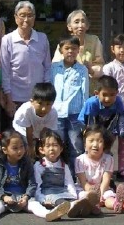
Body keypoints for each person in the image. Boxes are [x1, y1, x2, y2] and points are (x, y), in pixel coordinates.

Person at [0, 130, 69, 222]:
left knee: (35, 206)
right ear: (5, 150)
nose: (20, 150)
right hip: (4, 197)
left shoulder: (27, 162)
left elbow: (32, 184)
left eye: (22, 146)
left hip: (22, 197)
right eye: (15, 148)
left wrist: (26, 197)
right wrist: (4, 197)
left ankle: (49, 214)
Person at [0, 1, 52, 115]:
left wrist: (46, 93)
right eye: (22, 15)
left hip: (38, 98)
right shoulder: (7, 40)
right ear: (15, 17)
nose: (26, 19)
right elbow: (5, 71)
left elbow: (47, 67)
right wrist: (8, 99)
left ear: (34, 17)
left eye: (30, 15)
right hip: (15, 98)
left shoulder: (42, 38)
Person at [51, 35, 90, 169]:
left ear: (78, 50)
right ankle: (58, 173)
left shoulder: (82, 69)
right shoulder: (53, 68)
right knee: (57, 144)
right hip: (56, 112)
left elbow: (85, 93)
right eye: (67, 48)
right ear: (61, 50)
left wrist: (84, 115)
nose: (70, 51)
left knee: (76, 146)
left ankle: (76, 175)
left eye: (73, 48)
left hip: (75, 113)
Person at [101, 33, 124, 169]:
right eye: (119, 47)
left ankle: (123, 169)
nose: (122, 50)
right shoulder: (109, 67)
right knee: (109, 138)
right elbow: (105, 87)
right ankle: (105, 168)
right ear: (112, 49)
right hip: (113, 108)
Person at [52, 10, 105, 94]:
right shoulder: (64, 43)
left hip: (91, 90)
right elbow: (56, 66)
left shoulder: (94, 40)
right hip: (69, 90)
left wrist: (91, 70)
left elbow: (100, 65)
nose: (80, 25)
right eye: (76, 22)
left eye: (83, 22)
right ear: (69, 26)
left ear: (87, 26)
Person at [31, 128, 78, 218]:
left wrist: (74, 195)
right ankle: (67, 208)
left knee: (75, 197)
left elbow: (69, 183)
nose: (52, 149)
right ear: (41, 150)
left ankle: (79, 206)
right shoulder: (39, 165)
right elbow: (37, 186)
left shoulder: (64, 165)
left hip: (62, 191)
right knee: (58, 200)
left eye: (55, 145)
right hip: (47, 194)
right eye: (48, 146)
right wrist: (42, 200)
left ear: (61, 149)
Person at [74, 125, 114, 216]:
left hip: (102, 188)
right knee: (82, 196)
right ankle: (90, 206)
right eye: (91, 141)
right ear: (85, 144)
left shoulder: (109, 159)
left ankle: (116, 204)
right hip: (85, 189)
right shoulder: (79, 160)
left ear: (104, 144)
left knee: (109, 196)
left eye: (100, 141)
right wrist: (93, 194)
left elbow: (106, 180)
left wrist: (101, 194)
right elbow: (83, 182)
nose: (95, 145)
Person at [78, 75, 124, 147]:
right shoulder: (92, 103)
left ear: (117, 93)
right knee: (91, 144)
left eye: (112, 95)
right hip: (87, 125)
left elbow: (118, 120)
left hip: (106, 126)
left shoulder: (118, 102)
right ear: (96, 93)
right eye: (104, 95)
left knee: (107, 143)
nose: (108, 99)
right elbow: (90, 124)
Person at [12, 82, 58, 155]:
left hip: (38, 131)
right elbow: (29, 130)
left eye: (48, 104)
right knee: (25, 150)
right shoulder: (26, 110)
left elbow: (45, 131)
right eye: (40, 103)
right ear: (32, 101)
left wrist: (42, 147)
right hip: (22, 130)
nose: (43, 108)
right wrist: (30, 147)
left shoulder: (53, 112)